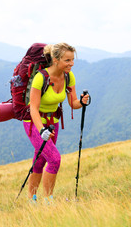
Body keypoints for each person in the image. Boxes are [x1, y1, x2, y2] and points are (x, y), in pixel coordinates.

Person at [23, 42, 89, 204]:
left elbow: (73, 103)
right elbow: (33, 109)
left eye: (72, 60)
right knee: (54, 159)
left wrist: (82, 101)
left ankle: (32, 200)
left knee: (41, 160)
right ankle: (48, 201)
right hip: (34, 123)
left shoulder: (68, 76)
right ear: (55, 59)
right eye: (67, 60)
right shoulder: (40, 78)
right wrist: (41, 130)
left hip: (54, 121)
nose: (71, 63)